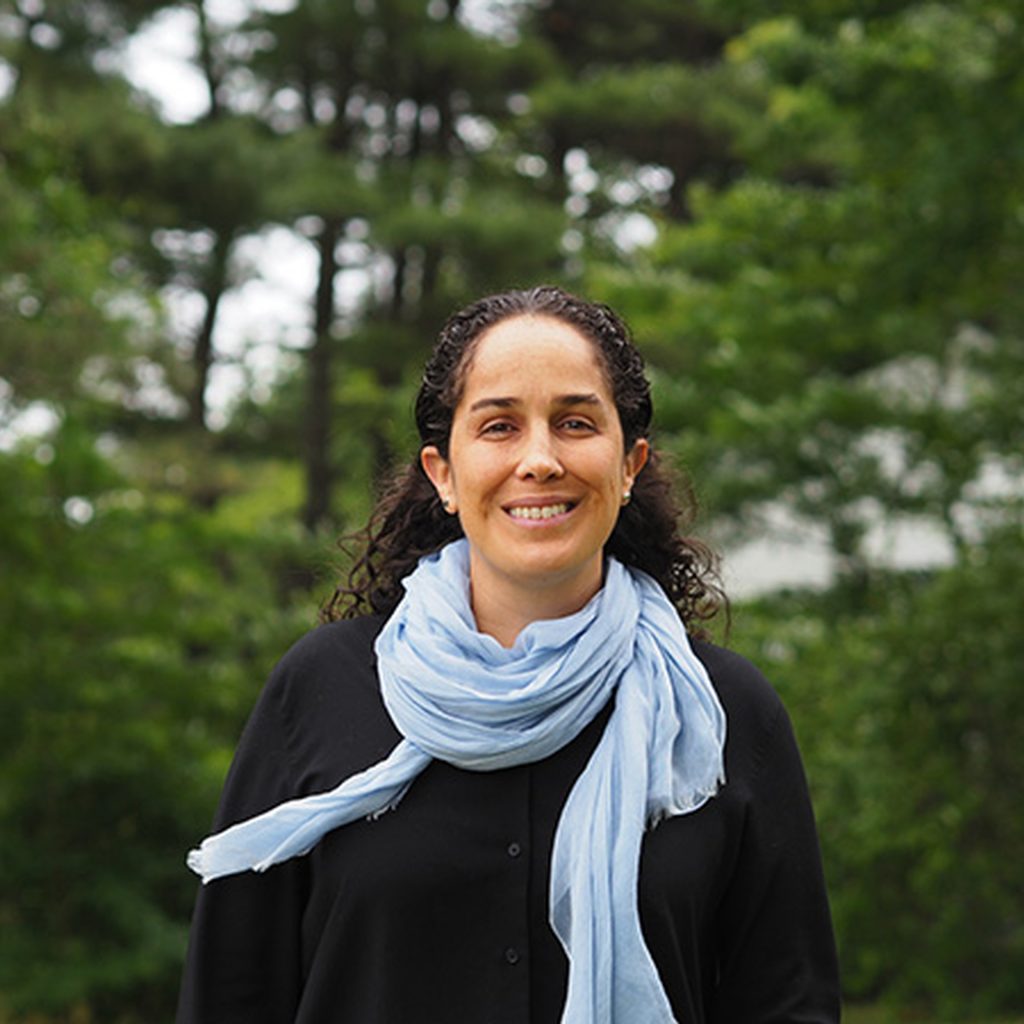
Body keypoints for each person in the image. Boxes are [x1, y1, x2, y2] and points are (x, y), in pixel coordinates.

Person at [177, 285, 840, 1024]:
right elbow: (231, 996)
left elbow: (789, 1003)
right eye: (498, 426)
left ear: (628, 464)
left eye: (576, 422)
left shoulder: (723, 712)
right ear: (444, 474)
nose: (540, 460)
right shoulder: (322, 688)